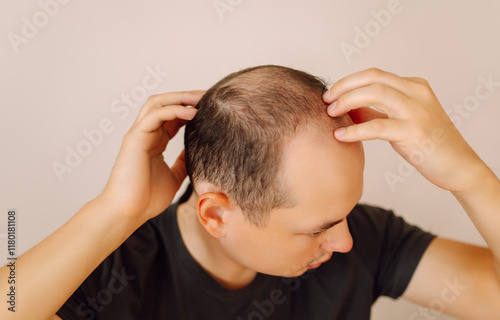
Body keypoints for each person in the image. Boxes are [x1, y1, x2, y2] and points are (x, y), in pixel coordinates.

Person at [1, 66, 499, 320]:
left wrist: (469, 177)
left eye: (344, 214)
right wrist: (115, 211)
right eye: (320, 227)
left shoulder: (365, 237)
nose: (345, 241)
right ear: (215, 216)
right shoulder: (115, 272)